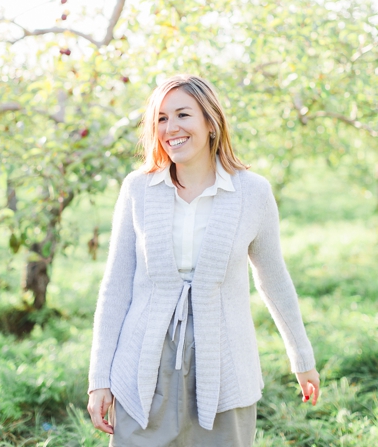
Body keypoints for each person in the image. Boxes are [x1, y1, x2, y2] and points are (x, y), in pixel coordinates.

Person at [86, 74, 320, 446]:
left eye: (182, 115)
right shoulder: (138, 189)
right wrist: (99, 378)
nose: (170, 128)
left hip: (226, 366)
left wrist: (302, 358)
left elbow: (273, 279)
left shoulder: (252, 192)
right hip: (142, 367)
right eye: (161, 118)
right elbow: (115, 286)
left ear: (211, 123)